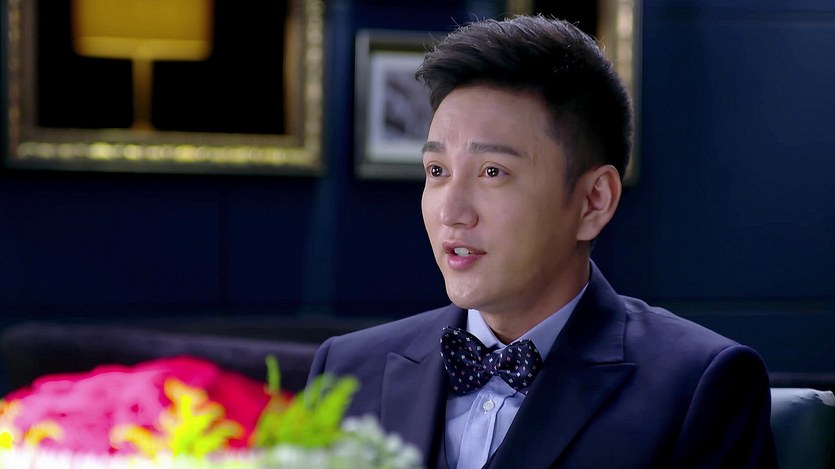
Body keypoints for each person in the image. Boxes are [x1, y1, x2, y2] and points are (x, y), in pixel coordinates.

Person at [308, 15, 777, 468]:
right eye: (437, 171)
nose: (451, 212)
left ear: (593, 201)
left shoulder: (699, 385)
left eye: (492, 172)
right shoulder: (347, 370)